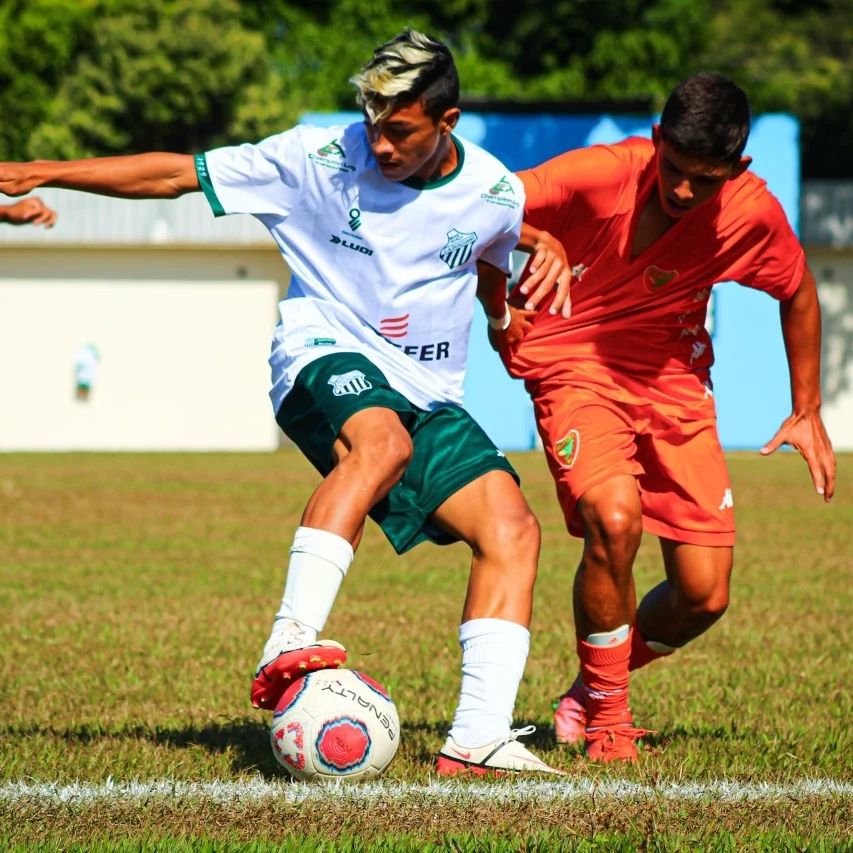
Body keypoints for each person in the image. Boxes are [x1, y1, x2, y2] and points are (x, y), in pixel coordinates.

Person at [0, 30, 571, 775]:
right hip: (322, 350)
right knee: (383, 445)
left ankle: (476, 737)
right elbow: (176, 175)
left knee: (512, 528)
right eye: (372, 124)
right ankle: (289, 638)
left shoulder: (495, 189)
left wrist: (508, 310)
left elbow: (489, 252)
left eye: (399, 130)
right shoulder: (313, 158)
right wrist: (38, 170)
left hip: (426, 387)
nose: (381, 145)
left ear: (448, 122)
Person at [493, 72, 836, 763]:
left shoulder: (749, 213)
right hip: (571, 364)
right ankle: (610, 721)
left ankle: (584, 693)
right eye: (673, 170)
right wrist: (530, 247)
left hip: (673, 382)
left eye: (702, 180)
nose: (682, 191)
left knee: (703, 594)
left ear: (735, 169)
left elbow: (796, 290)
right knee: (613, 519)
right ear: (656, 143)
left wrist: (805, 408)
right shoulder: (596, 174)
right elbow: (477, 205)